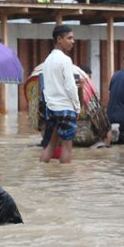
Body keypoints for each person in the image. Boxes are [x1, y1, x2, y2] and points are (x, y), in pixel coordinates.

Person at [40, 24, 80, 164]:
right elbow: (70, 86)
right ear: (59, 39)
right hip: (66, 108)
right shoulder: (65, 60)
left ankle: (41, 172)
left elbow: (45, 87)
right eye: (69, 38)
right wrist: (77, 107)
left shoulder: (47, 61)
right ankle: (65, 180)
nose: (73, 41)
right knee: (67, 148)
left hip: (51, 108)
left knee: (50, 145)